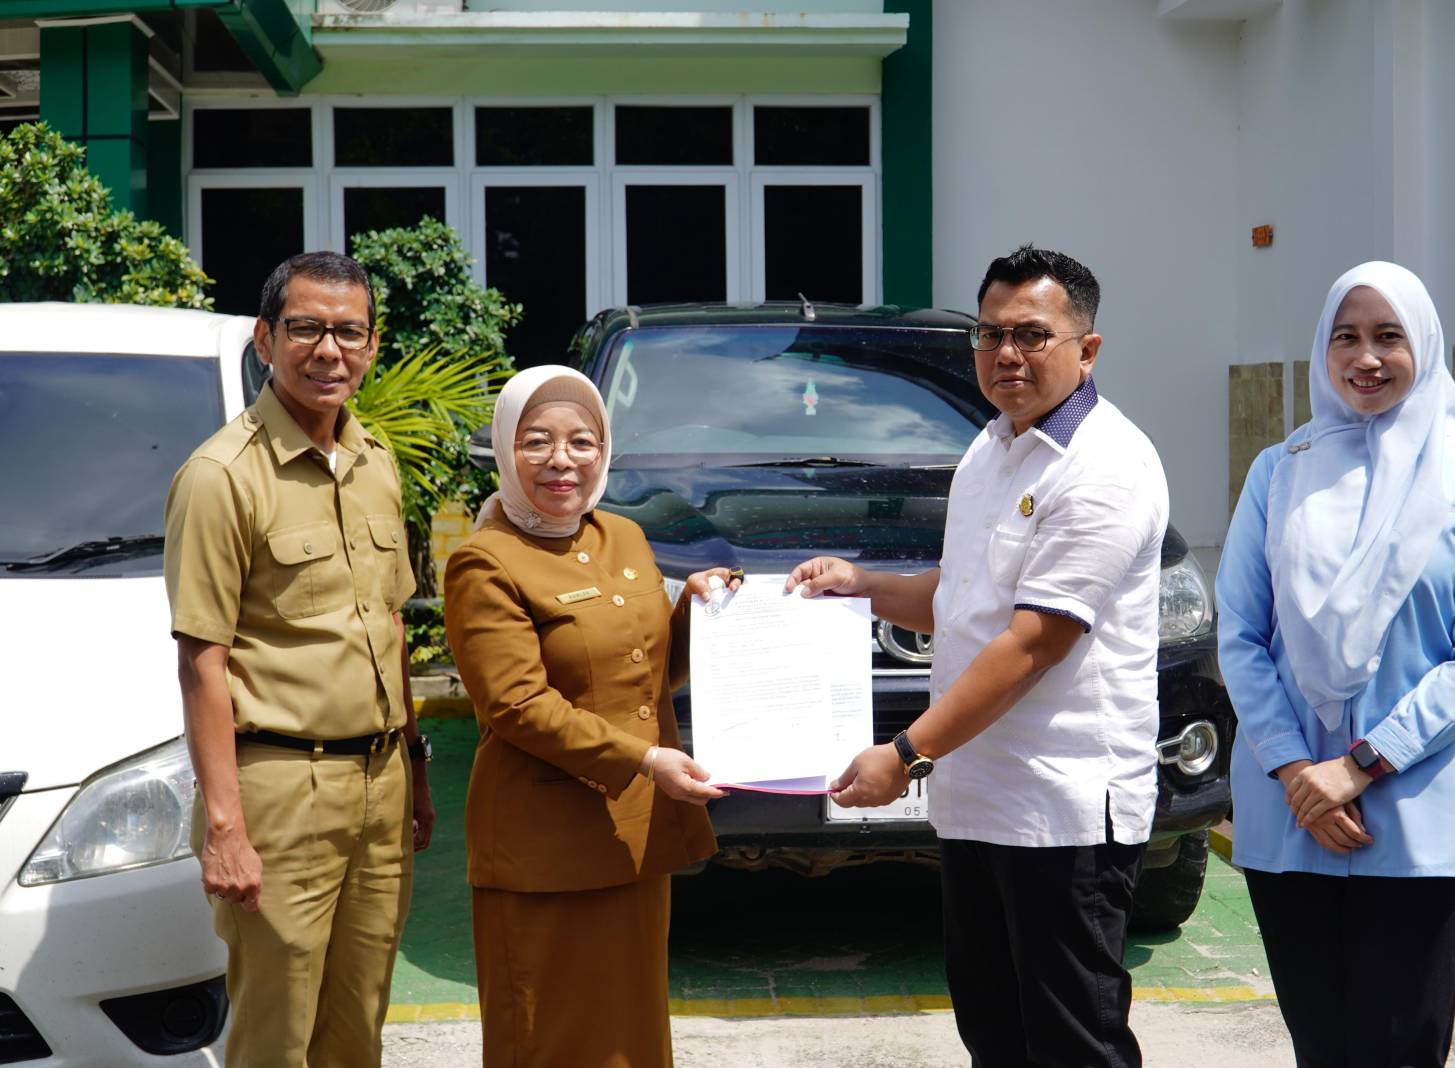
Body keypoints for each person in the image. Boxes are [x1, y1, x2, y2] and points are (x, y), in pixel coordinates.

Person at [787, 245, 1169, 1067]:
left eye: (1031, 334)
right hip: (979, 801)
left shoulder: (1104, 467)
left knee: (1074, 1044)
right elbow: (963, 593)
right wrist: (863, 586)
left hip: (1061, 812)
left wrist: (904, 755)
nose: (1005, 354)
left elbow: (1033, 644)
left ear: (1087, 349)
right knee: (994, 1034)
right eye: (990, 334)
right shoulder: (992, 447)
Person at [1216, 261, 1455, 1068]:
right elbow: (1241, 634)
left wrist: (1358, 765)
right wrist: (1296, 772)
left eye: (1389, 336)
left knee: (1402, 1046)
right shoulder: (1279, 471)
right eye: (1345, 337)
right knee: (1320, 1045)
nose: (1366, 357)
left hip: (1418, 812)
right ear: (1323, 349)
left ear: (1424, 345)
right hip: (1292, 813)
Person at [165, 251, 435, 1067]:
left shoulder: (374, 461)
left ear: (372, 345)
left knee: (357, 1027)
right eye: (306, 328)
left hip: (379, 785)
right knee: (275, 1036)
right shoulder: (220, 476)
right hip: (281, 791)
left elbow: (389, 625)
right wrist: (225, 829)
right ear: (266, 339)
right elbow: (202, 661)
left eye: (348, 332)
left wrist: (415, 765)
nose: (329, 351)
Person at [443, 366, 727, 1068]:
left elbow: (649, 669)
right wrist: (645, 759)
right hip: (543, 853)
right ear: (505, 449)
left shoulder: (622, 536)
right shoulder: (484, 561)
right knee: (550, 1042)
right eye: (536, 441)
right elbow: (517, 705)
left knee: (631, 1041)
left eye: (582, 441)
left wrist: (703, 611)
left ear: (605, 450)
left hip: (634, 839)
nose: (561, 460)